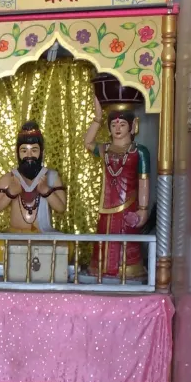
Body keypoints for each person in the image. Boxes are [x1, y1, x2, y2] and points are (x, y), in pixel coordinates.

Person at [82, 96, 150, 279]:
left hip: (129, 205)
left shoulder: (139, 152)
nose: (118, 128)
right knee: (104, 236)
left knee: (126, 237)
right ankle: (101, 268)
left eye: (122, 124)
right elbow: (88, 143)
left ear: (132, 126)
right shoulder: (105, 149)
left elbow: (144, 181)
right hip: (106, 205)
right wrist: (98, 118)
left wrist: (143, 209)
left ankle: (128, 268)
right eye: (113, 125)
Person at [0, 121, 67, 232]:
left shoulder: (51, 177)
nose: (29, 155)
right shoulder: (8, 179)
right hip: (15, 235)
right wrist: (10, 192)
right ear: (17, 153)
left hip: (43, 235)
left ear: (42, 153)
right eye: (24, 151)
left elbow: (61, 208)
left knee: (64, 243)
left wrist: (46, 191)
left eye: (34, 150)